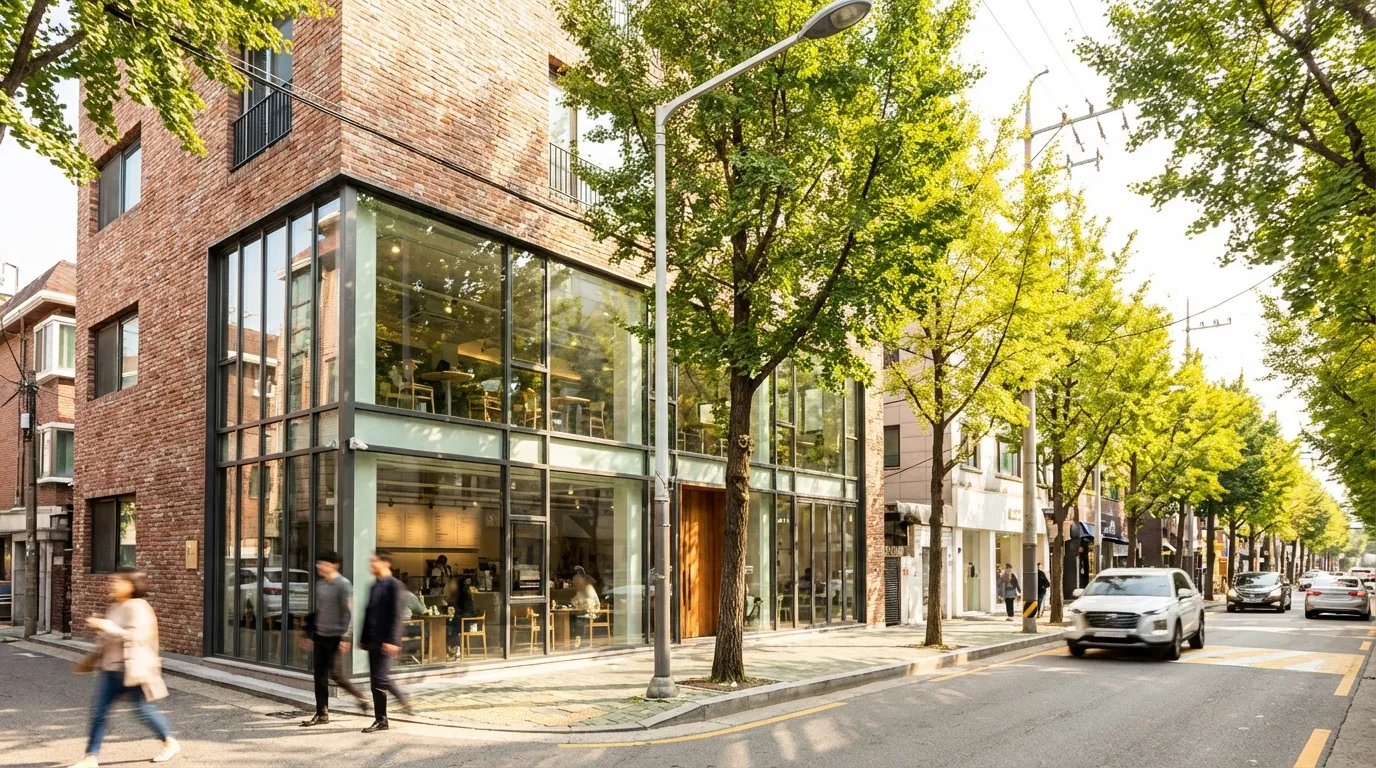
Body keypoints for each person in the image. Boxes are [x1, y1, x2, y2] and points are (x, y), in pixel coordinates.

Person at [70, 567, 180, 768]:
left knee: (143, 711)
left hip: (132, 670)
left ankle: (169, 742)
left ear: (130, 585)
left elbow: (135, 636)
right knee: (99, 712)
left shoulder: (139, 607)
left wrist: (106, 626)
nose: (113, 584)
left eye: (118, 581)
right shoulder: (115, 607)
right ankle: (90, 757)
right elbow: (110, 638)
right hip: (111, 670)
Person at [299, 552, 368, 727]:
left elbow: (350, 613)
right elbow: (319, 612)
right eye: (318, 563)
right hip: (320, 635)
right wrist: (308, 633)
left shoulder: (343, 585)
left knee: (335, 675)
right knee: (319, 676)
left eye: (322, 563)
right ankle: (322, 713)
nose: (319, 566)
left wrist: (346, 637)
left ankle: (360, 696)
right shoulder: (321, 584)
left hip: (336, 637)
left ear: (334, 566)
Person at [360, 550, 412, 732]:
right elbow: (368, 614)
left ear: (385, 563)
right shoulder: (374, 585)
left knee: (381, 678)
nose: (370, 565)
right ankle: (381, 720)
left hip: (386, 641)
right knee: (375, 682)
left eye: (374, 561)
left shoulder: (395, 586)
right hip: (373, 640)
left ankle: (401, 697)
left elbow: (397, 616)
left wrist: (393, 640)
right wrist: (363, 638)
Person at [570, 567, 601, 649]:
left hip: (592, 611)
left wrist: (579, 603)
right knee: (573, 617)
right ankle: (576, 637)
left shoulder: (588, 587)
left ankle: (579, 638)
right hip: (584, 610)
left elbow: (591, 602)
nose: (574, 583)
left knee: (579, 619)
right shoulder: (581, 589)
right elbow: (576, 599)